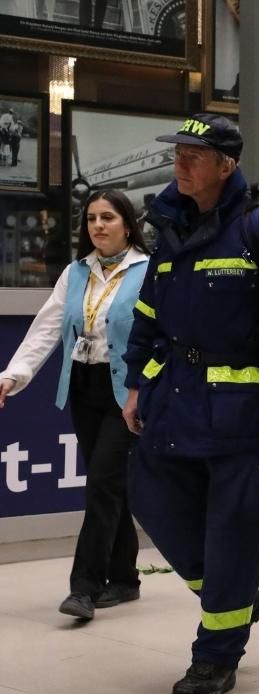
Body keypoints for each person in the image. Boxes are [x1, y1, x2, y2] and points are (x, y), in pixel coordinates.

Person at [122, 113, 259, 694]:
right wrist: (136, 383)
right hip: (174, 398)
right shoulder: (170, 227)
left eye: (194, 155)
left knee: (232, 535)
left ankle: (215, 658)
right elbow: (149, 315)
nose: (181, 163)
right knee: (151, 498)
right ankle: (233, 600)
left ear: (226, 166)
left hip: (246, 412)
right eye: (178, 153)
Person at [1, 189, 150, 621]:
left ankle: (84, 587)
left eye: (108, 218)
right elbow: (48, 327)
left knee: (103, 484)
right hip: (85, 385)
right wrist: (15, 374)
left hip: (127, 390)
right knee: (110, 483)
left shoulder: (149, 270)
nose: (98, 226)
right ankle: (124, 578)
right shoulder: (76, 272)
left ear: (127, 223)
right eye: (91, 220)